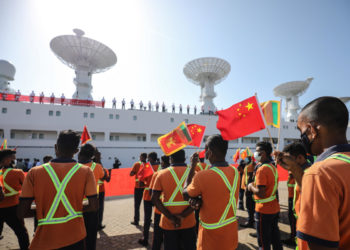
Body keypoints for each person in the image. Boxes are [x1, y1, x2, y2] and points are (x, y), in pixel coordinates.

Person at [275, 96, 350, 249]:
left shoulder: (320, 173)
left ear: (312, 130)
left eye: (301, 131)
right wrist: (296, 169)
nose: (300, 137)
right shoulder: (341, 164)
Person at [18, 130, 98, 249]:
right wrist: (73, 209)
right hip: (76, 237)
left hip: (44, 240)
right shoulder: (86, 172)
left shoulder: (34, 172)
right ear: (76, 151)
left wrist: (41, 210)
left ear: (56, 147)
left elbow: (21, 212)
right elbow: (93, 206)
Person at [183, 135, 240, 250]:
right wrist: (199, 200)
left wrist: (192, 166)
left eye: (206, 150)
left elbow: (185, 193)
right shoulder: (235, 171)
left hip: (210, 236)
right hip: (230, 231)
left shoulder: (202, 176)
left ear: (210, 151)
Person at [152, 149, 196, 250]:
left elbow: (154, 198)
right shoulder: (194, 173)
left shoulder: (161, 174)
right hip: (188, 220)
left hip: (168, 222)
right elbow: (198, 200)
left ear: (170, 159)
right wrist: (182, 216)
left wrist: (170, 217)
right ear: (184, 158)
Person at [247, 141, 282, 250]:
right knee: (275, 237)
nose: (256, 154)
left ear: (264, 153)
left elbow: (261, 193)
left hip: (263, 210)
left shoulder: (262, 169)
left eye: (258, 152)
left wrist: (250, 187)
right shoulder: (272, 166)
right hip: (274, 207)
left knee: (263, 241)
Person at [274, 142, 310, 248]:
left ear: (299, 157)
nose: (286, 162)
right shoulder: (299, 171)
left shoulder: (310, 173)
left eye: (288, 158)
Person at [0, 149, 29, 250]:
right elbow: (27, 188)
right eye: (13, 158)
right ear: (7, 160)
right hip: (12, 207)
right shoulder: (17, 172)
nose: (15, 160)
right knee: (21, 233)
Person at [78, 143, 105, 250]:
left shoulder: (73, 167)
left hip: (76, 206)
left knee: (77, 236)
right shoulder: (97, 167)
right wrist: (98, 159)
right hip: (92, 206)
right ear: (92, 155)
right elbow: (103, 177)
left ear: (79, 153)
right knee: (91, 236)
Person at [138, 152, 160, 247]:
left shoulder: (147, 167)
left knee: (147, 219)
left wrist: (146, 184)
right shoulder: (160, 167)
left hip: (147, 195)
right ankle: (159, 239)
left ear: (150, 158)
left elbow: (140, 184)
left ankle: (145, 239)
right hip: (158, 196)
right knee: (158, 219)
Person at [150, 155, 170, 250]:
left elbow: (152, 194)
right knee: (169, 238)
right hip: (172, 211)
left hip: (159, 210)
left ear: (163, 162)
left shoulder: (157, 174)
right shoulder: (178, 173)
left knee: (157, 237)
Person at [94, 149, 111, 231]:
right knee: (99, 208)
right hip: (99, 190)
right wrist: (109, 173)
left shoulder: (90, 164)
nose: (100, 157)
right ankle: (98, 224)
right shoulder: (98, 165)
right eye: (99, 155)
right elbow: (105, 178)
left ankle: (94, 224)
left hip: (92, 190)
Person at [129, 153, 147, 226]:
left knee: (137, 205)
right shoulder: (149, 165)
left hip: (138, 187)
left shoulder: (137, 164)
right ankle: (148, 219)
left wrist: (134, 172)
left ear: (141, 157)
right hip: (146, 187)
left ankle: (136, 220)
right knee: (147, 205)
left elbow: (131, 174)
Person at [240, 156, 256, 228]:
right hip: (249, 187)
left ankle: (250, 221)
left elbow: (250, 178)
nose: (245, 159)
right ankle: (251, 220)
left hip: (249, 188)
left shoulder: (250, 166)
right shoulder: (249, 165)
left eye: (246, 158)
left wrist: (247, 189)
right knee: (250, 206)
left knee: (249, 206)